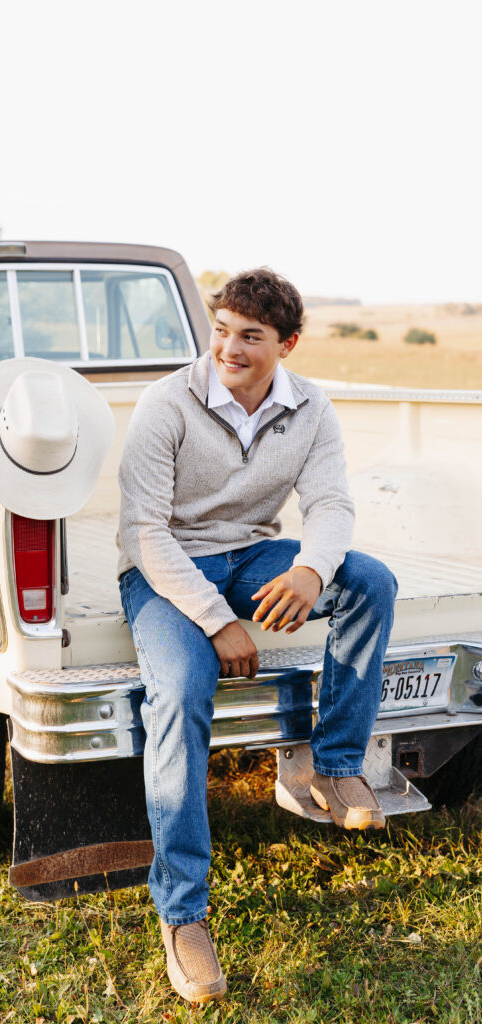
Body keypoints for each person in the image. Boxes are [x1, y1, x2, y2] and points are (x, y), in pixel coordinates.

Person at [116, 267, 398, 1004]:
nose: (229, 348)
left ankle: (330, 765)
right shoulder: (165, 402)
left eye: (250, 336)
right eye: (221, 330)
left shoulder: (310, 408)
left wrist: (308, 570)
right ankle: (183, 918)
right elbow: (142, 531)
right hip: (164, 568)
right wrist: (216, 620)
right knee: (178, 690)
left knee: (369, 581)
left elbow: (331, 502)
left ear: (287, 344)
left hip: (253, 553)